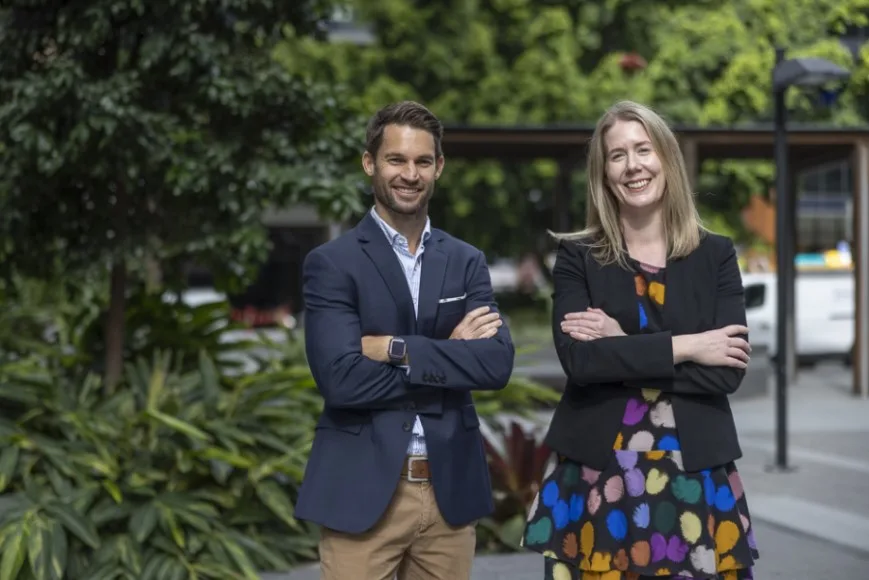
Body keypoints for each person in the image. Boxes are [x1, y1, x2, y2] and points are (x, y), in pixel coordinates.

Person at [522, 101, 759, 580]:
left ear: (666, 159)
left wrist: (621, 343)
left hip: (695, 477)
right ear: (603, 174)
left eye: (643, 150)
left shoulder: (716, 255)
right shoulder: (578, 257)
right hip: (596, 477)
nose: (633, 166)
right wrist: (689, 346)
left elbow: (726, 371)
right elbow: (581, 363)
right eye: (617, 155)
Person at [296, 100, 515, 580]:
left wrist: (396, 349)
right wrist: (452, 356)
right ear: (370, 163)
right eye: (396, 160)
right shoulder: (333, 264)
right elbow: (341, 381)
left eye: (422, 162)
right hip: (363, 494)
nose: (409, 174)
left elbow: (496, 365)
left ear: (438, 168)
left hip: (448, 497)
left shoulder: (466, 261)